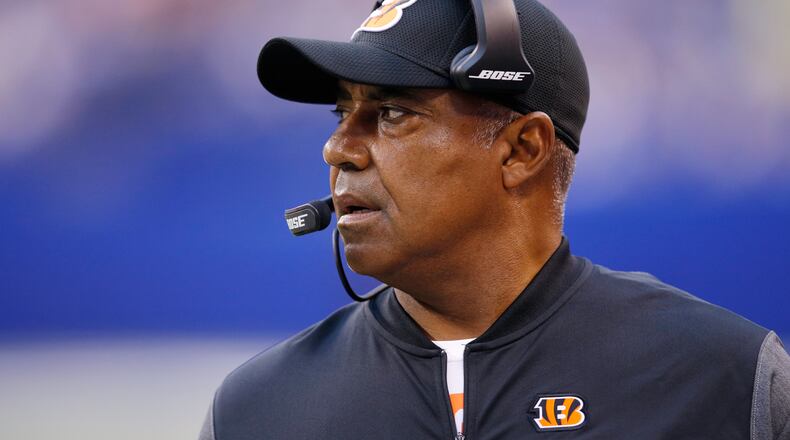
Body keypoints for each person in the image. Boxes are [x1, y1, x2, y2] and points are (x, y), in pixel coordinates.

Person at [199, 0, 790, 438]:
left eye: (393, 112)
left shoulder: (725, 377)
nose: (337, 150)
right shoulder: (258, 409)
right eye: (341, 113)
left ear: (522, 151)